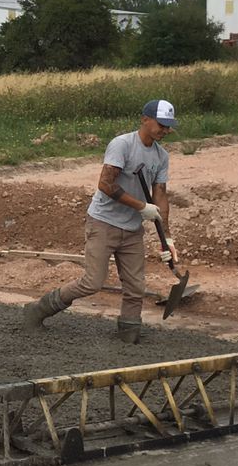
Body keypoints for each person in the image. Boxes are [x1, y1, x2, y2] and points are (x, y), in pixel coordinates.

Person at [21, 99, 178, 344]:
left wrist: (167, 238)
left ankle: (128, 332)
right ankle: (38, 310)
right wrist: (141, 206)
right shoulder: (122, 145)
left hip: (132, 228)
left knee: (136, 287)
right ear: (144, 119)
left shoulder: (161, 156)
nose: (165, 131)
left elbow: (160, 193)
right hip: (103, 222)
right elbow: (105, 185)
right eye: (161, 125)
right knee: (92, 282)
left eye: (169, 127)